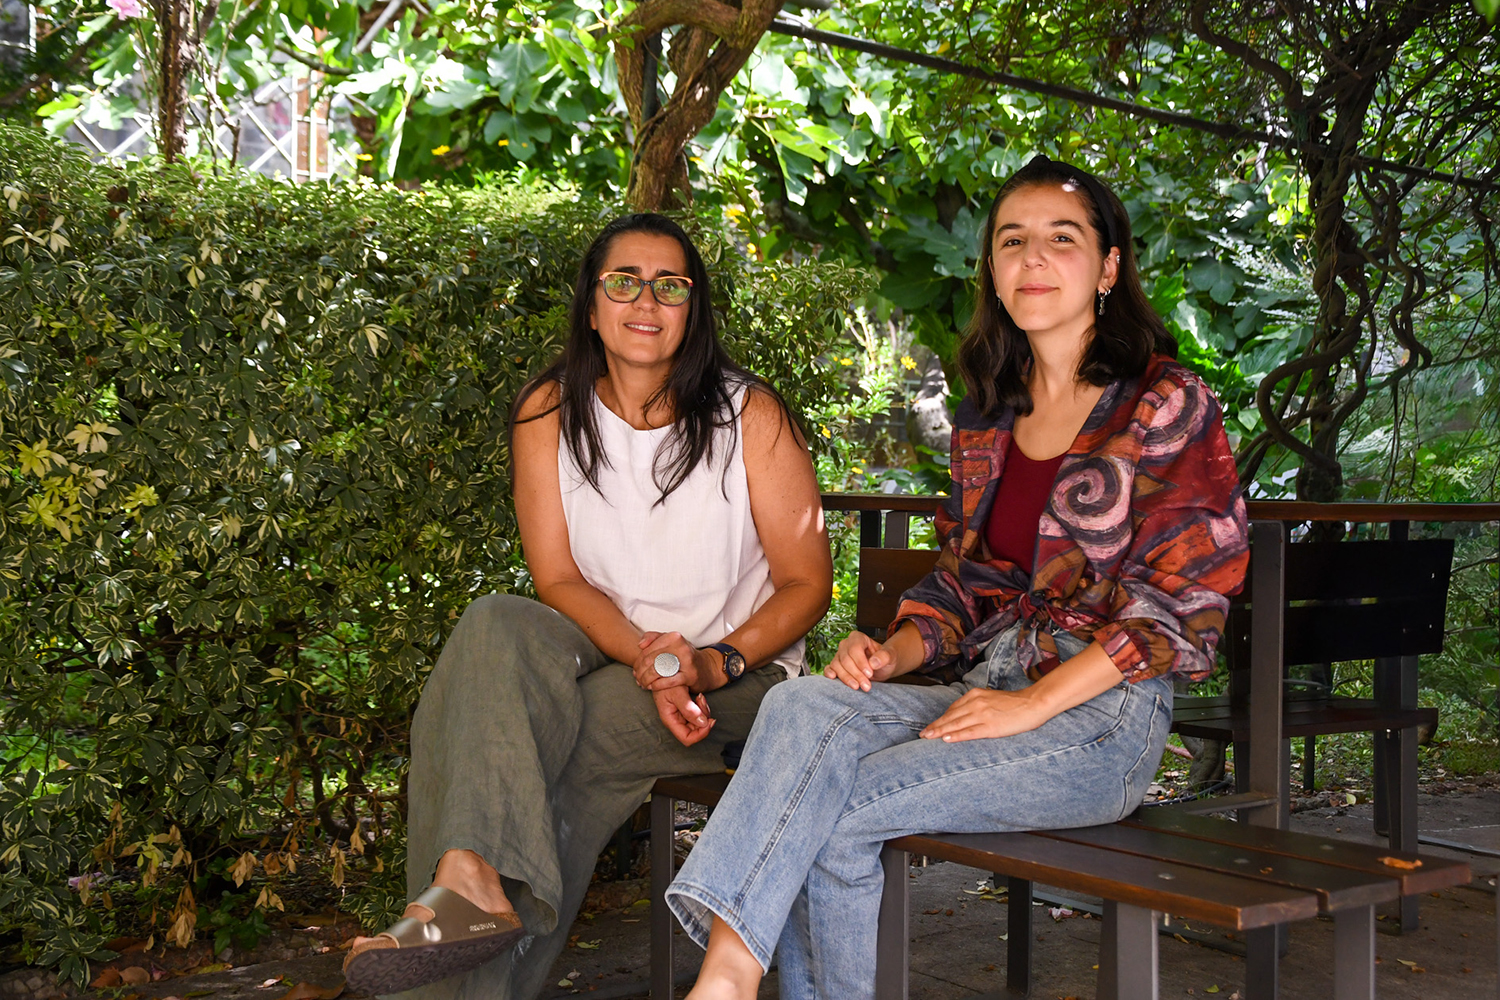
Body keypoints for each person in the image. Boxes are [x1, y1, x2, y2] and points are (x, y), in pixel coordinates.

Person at [663, 155, 1250, 1000]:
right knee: (801, 705)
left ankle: (725, 980)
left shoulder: (1165, 402)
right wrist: (893, 652)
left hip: (1100, 720)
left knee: (836, 810)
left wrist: (1032, 706)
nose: (1033, 258)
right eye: (1012, 240)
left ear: (1108, 266)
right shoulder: (990, 415)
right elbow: (965, 584)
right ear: (993, 270)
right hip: (987, 691)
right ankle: (729, 975)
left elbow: (1182, 608)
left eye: (1062, 238)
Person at [342, 213, 833, 1000]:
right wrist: (649, 656)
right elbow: (560, 581)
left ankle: (460, 941)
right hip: (613, 649)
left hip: (736, 678)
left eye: (671, 285)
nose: (647, 301)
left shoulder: (750, 415)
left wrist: (707, 663)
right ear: (593, 304)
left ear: (694, 308)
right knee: (492, 625)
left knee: (547, 754)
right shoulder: (549, 409)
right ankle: (465, 872)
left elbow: (808, 582)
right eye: (623, 282)